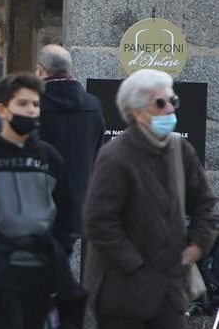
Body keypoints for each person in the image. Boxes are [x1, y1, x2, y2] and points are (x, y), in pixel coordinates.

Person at [83, 69, 219, 329]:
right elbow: (99, 221)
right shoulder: (115, 156)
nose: (169, 108)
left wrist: (195, 247)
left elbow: (205, 204)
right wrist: (138, 266)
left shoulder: (181, 150)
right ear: (137, 112)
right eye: (160, 103)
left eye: (172, 101)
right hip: (122, 294)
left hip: (169, 291)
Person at [0, 73, 77, 329]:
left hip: (40, 269)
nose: (30, 110)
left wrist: (59, 254)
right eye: (22, 104)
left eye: (35, 104)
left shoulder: (49, 157)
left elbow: (66, 215)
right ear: (1, 109)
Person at [35, 45, 105, 254]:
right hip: (78, 202)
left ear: (40, 70)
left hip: (39, 202)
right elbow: (98, 152)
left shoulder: (33, 105)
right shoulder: (93, 104)